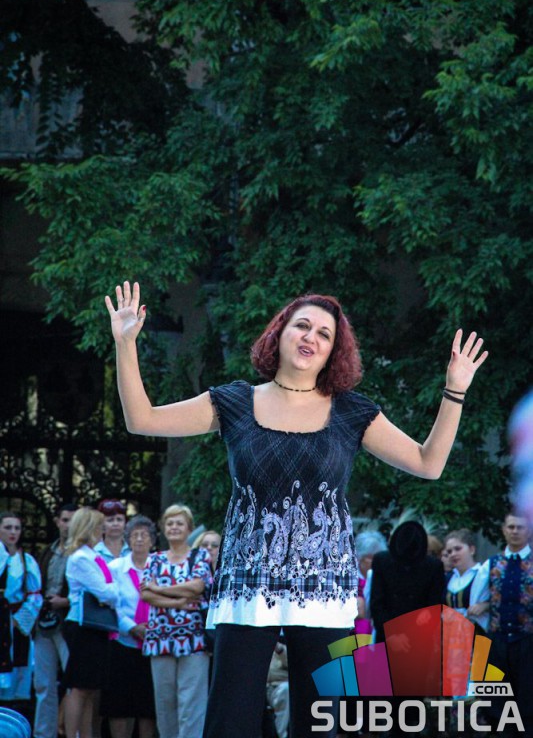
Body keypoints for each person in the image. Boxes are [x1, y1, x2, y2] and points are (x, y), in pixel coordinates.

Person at [105, 281, 488, 738]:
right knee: (230, 724)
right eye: (302, 326)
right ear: (279, 333)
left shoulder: (352, 413)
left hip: (323, 588)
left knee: (319, 726)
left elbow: (428, 464)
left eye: (324, 334)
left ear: (333, 352)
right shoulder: (233, 403)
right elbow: (142, 419)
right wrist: (125, 344)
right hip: (246, 585)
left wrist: (454, 391)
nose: (311, 337)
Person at [140, 504, 212, 738]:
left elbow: (197, 587)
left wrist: (160, 589)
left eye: (179, 523)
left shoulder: (200, 556)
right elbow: (146, 594)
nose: (174, 527)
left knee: (192, 703)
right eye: (169, 523)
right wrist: (178, 602)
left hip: (194, 639)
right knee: (164, 703)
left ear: (189, 528)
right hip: (160, 638)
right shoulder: (154, 559)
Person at [470, 512, 533, 733]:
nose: (515, 531)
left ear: (529, 531)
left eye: (520, 527)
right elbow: (476, 603)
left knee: (528, 698)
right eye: (511, 527)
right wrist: (487, 609)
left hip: (528, 641)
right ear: (504, 530)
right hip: (498, 641)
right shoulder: (491, 564)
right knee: (499, 698)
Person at [63, 507, 118, 738]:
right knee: (79, 687)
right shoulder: (81, 558)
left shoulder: (91, 555)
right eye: (98, 527)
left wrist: (111, 592)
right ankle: (71, 734)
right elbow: (106, 592)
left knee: (88, 689)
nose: (101, 531)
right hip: (83, 625)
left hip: (93, 626)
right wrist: (115, 590)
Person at [101, 515, 157, 738]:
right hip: (123, 642)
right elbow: (110, 604)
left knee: (148, 705)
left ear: (152, 540)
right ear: (128, 540)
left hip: (153, 642)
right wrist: (131, 627)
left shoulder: (160, 566)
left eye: (144, 535)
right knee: (119, 703)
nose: (140, 539)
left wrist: (152, 628)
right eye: (135, 535)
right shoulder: (115, 567)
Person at [33, 503, 76, 738]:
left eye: (73, 520)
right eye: (65, 520)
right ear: (57, 522)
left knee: (74, 682)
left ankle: (73, 733)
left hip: (69, 623)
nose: (68, 525)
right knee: (43, 683)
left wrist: (65, 601)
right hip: (44, 622)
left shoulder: (82, 553)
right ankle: (43, 734)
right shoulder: (47, 552)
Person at [0, 512, 42, 703]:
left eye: (17, 528)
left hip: (14, 621)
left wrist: (20, 620)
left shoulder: (27, 561)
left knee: (16, 666)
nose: (13, 532)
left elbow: (35, 594)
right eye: (8, 527)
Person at [443, 528, 488, 633]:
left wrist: (485, 605)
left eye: (458, 549)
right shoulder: (447, 578)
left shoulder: (484, 575)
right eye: (449, 551)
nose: (453, 554)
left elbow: (499, 600)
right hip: (452, 635)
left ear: (472, 550)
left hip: (479, 634)